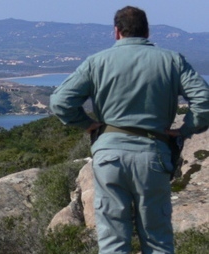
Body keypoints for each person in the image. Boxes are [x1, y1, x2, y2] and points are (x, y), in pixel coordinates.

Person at [49, 6, 209, 254]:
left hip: (108, 157)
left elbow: (60, 102)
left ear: (116, 32)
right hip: (153, 155)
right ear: (147, 31)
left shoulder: (97, 62)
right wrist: (187, 128)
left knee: (113, 243)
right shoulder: (171, 60)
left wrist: (88, 124)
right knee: (157, 241)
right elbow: (204, 100)